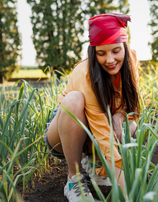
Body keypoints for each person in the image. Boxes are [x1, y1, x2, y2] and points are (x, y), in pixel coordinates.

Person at [44, 13, 140, 202]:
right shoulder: (85, 73)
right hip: (65, 131)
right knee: (74, 100)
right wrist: (125, 194)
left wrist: (119, 116)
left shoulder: (131, 61)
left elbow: (131, 103)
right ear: (93, 53)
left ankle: (97, 167)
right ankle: (74, 180)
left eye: (115, 50)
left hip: (97, 124)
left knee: (130, 127)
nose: (110, 60)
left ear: (125, 48)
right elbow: (102, 133)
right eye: (101, 53)